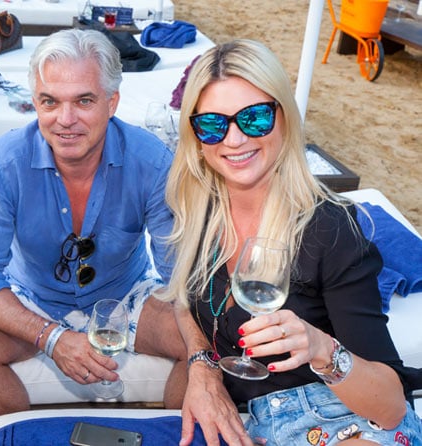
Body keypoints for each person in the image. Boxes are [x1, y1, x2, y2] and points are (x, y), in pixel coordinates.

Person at [0, 28, 251, 446]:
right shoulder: (3, 161)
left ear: (112, 102)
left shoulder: (152, 159)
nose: (65, 119)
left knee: (203, 341)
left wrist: (202, 360)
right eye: (50, 102)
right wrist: (51, 337)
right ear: (35, 103)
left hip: (125, 293)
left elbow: (180, 279)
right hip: (31, 295)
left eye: (84, 101)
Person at [163, 38, 422, 445]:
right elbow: (182, 298)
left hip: (345, 417)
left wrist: (320, 348)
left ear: (284, 117)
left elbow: (390, 407)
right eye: (213, 124)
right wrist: (201, 364)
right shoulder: (200, 210)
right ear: (195, 136)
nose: (234, 139)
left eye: (255, 118)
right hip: (258, 422)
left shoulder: (329, 228)